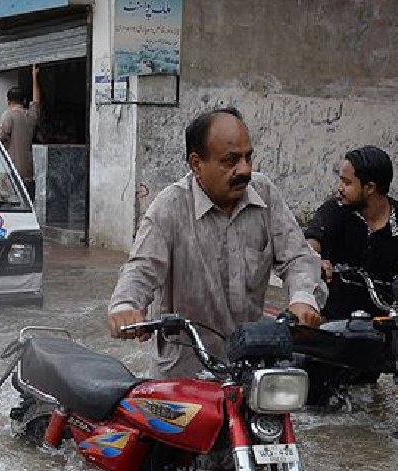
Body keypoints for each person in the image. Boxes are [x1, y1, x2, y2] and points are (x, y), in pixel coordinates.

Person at [108, 107, 326, 378]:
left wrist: (303, 299)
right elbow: (141, 268)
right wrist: (126, 308)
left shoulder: (265, 194)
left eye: (248, 157)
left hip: (251, 365)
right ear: (196, 164)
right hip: (184, 372)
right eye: (231, 160)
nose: (244, 170)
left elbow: (297, 257)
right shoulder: (170, 207)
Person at [304, 145, 398, 319]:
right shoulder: (334, 210)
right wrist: (315, 259)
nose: (340, 187)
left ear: (370, 188)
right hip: (332, 320)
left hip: (385, 321)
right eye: (340, 180)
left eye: (347, 182)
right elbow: (313, 239)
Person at [0, 65, 40, 199]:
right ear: (24, 101)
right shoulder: (30, 116)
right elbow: (36, 102)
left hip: (11, 174)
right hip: (28, 172)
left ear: (8, 101)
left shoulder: (8, 115)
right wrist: (34, 78)